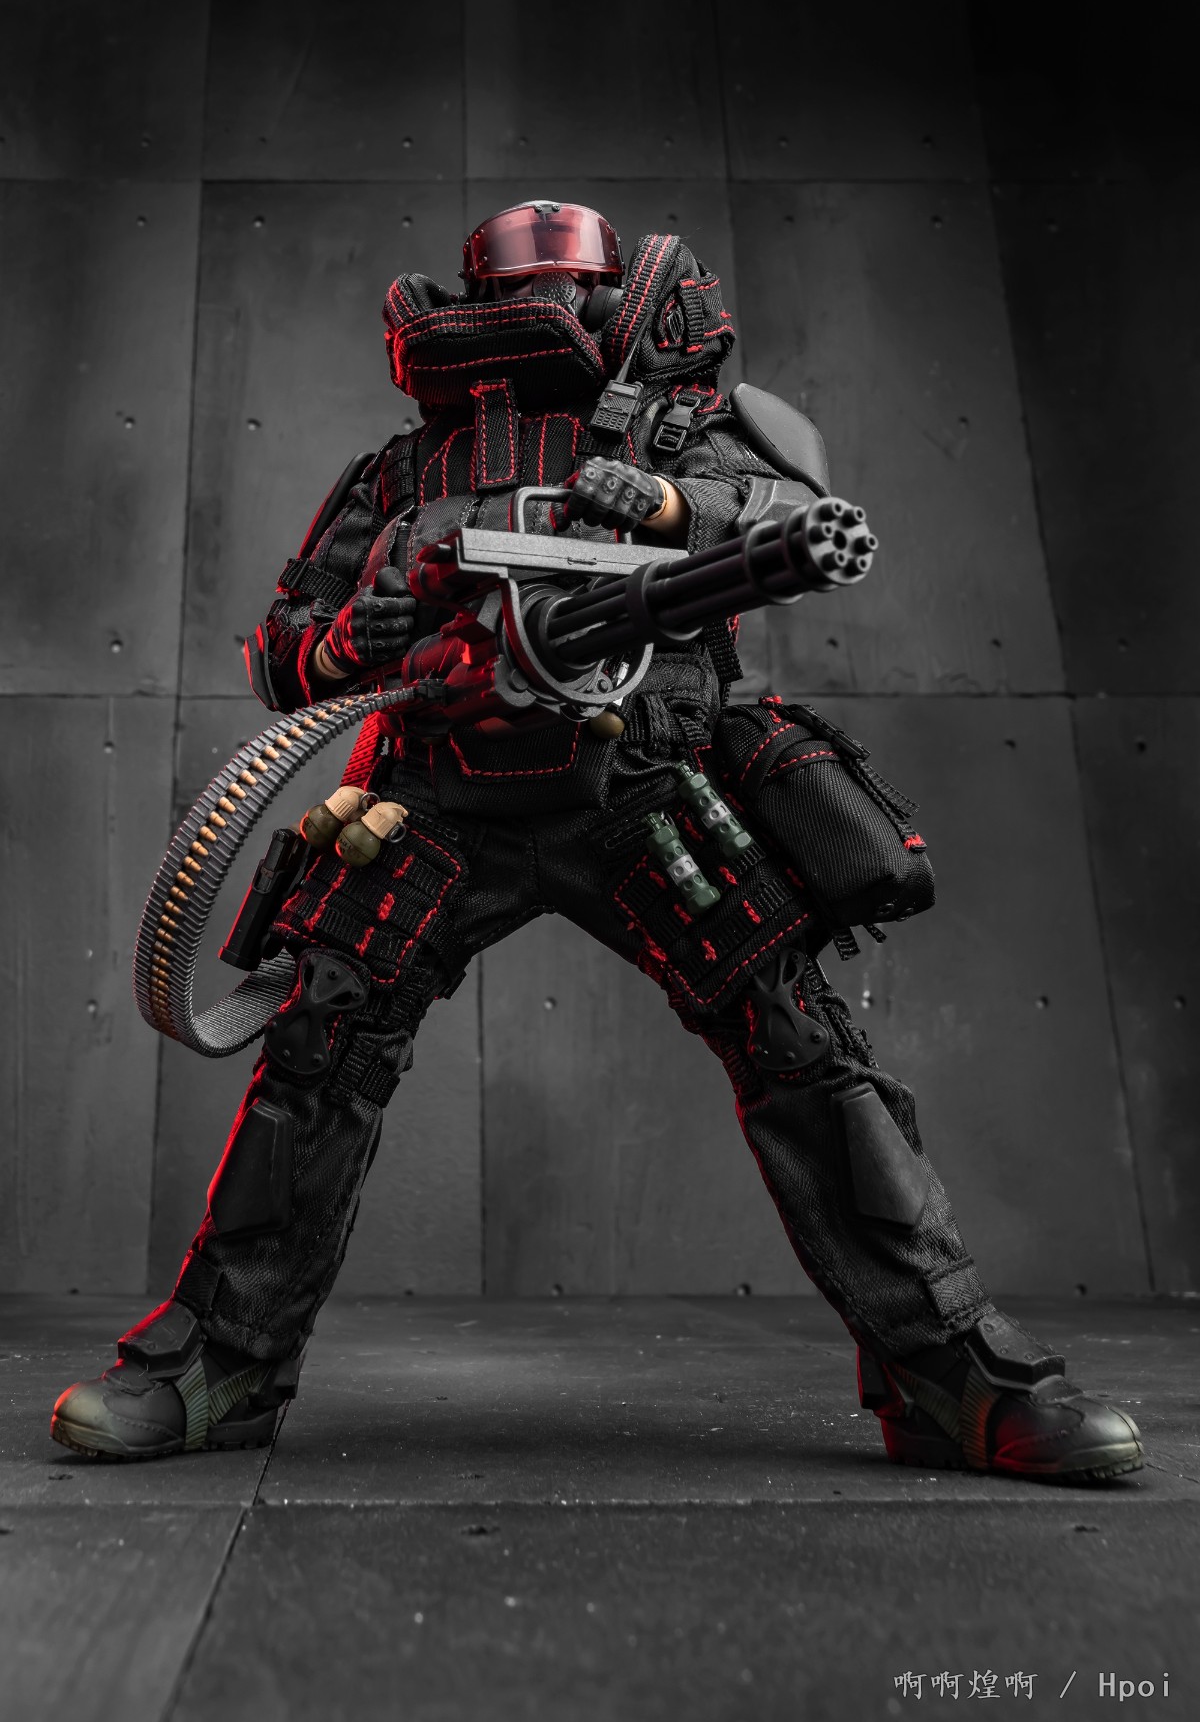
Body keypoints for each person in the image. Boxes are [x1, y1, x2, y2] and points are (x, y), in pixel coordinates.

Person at [51, 202, 1142, 1482]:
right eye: (519, 279)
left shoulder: (683, 433)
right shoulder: (401, 473)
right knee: (316, 1055)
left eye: (568, 279)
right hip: (433, 798)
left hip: (645, 788)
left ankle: (949, 1371)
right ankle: (219, 1366)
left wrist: (671, 506)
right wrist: (357, 639)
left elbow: (783, 515)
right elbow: (285, 652)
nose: (544, 298)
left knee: (803, 1051)